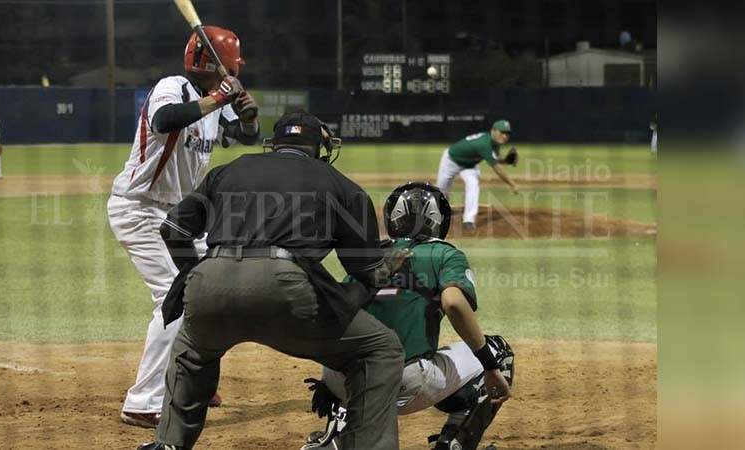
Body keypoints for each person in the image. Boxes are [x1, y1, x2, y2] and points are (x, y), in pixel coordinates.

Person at [137, 111, 410, 450]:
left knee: (191, 353)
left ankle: (168, 445)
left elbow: (173, 230)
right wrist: (385, 268)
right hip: (286, 289)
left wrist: (195, 276)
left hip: (211, 278)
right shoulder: (340, 184)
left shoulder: (228, 170)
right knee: (379, 349)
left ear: (274, 144)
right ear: (320, 147)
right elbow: (364, 272)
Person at [107, 25, 260, 429]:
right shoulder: (171, 87)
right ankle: (142, 401)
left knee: (216, 291)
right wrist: (218, 98)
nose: (234, 71)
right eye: (231, 65)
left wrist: (246, 119)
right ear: (217, 64)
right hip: (139, 211)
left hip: (181, 220)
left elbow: (244, 137)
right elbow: (163, 120)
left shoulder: (215, 102)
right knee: (173, 302)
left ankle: (195, 379)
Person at [301, 182, 514, 450]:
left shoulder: (371, 254)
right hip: (404, 382)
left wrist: (327, 381)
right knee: (499, 351)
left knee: (357, 360)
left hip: (341, 378)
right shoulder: (445, 253)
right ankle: (454, 444)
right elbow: (454, 303)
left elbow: (338, 313)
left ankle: (335, 437)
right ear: (439, 221)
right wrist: (490, 367)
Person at [435, 120, 519, 230]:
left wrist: (505, 161)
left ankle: (469, 220)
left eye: (507, 134)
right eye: (502, 132)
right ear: (493, 131)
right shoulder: (484, 144)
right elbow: (497, 168)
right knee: (442, 190)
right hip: (451, 161)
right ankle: (436, 213)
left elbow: (494, 158)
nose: (504, 136)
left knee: (473, 184)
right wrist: (512, 184)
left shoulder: (494, 143)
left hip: (469, 165)